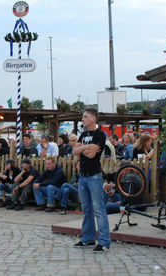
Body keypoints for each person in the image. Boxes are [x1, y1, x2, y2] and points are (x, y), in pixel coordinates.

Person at [72, 108, 110, 252]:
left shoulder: (99, 134)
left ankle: (104, 241)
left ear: (94, 119)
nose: (83, 119)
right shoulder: (83, 134)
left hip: (94, 176)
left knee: (99, 209)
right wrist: (85, 148)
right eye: (83, 117)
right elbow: (74, 151)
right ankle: (88, 238)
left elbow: (91, 154)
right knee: (86, 209)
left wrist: (83, 148)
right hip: (83, 176)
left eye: (86, 117)